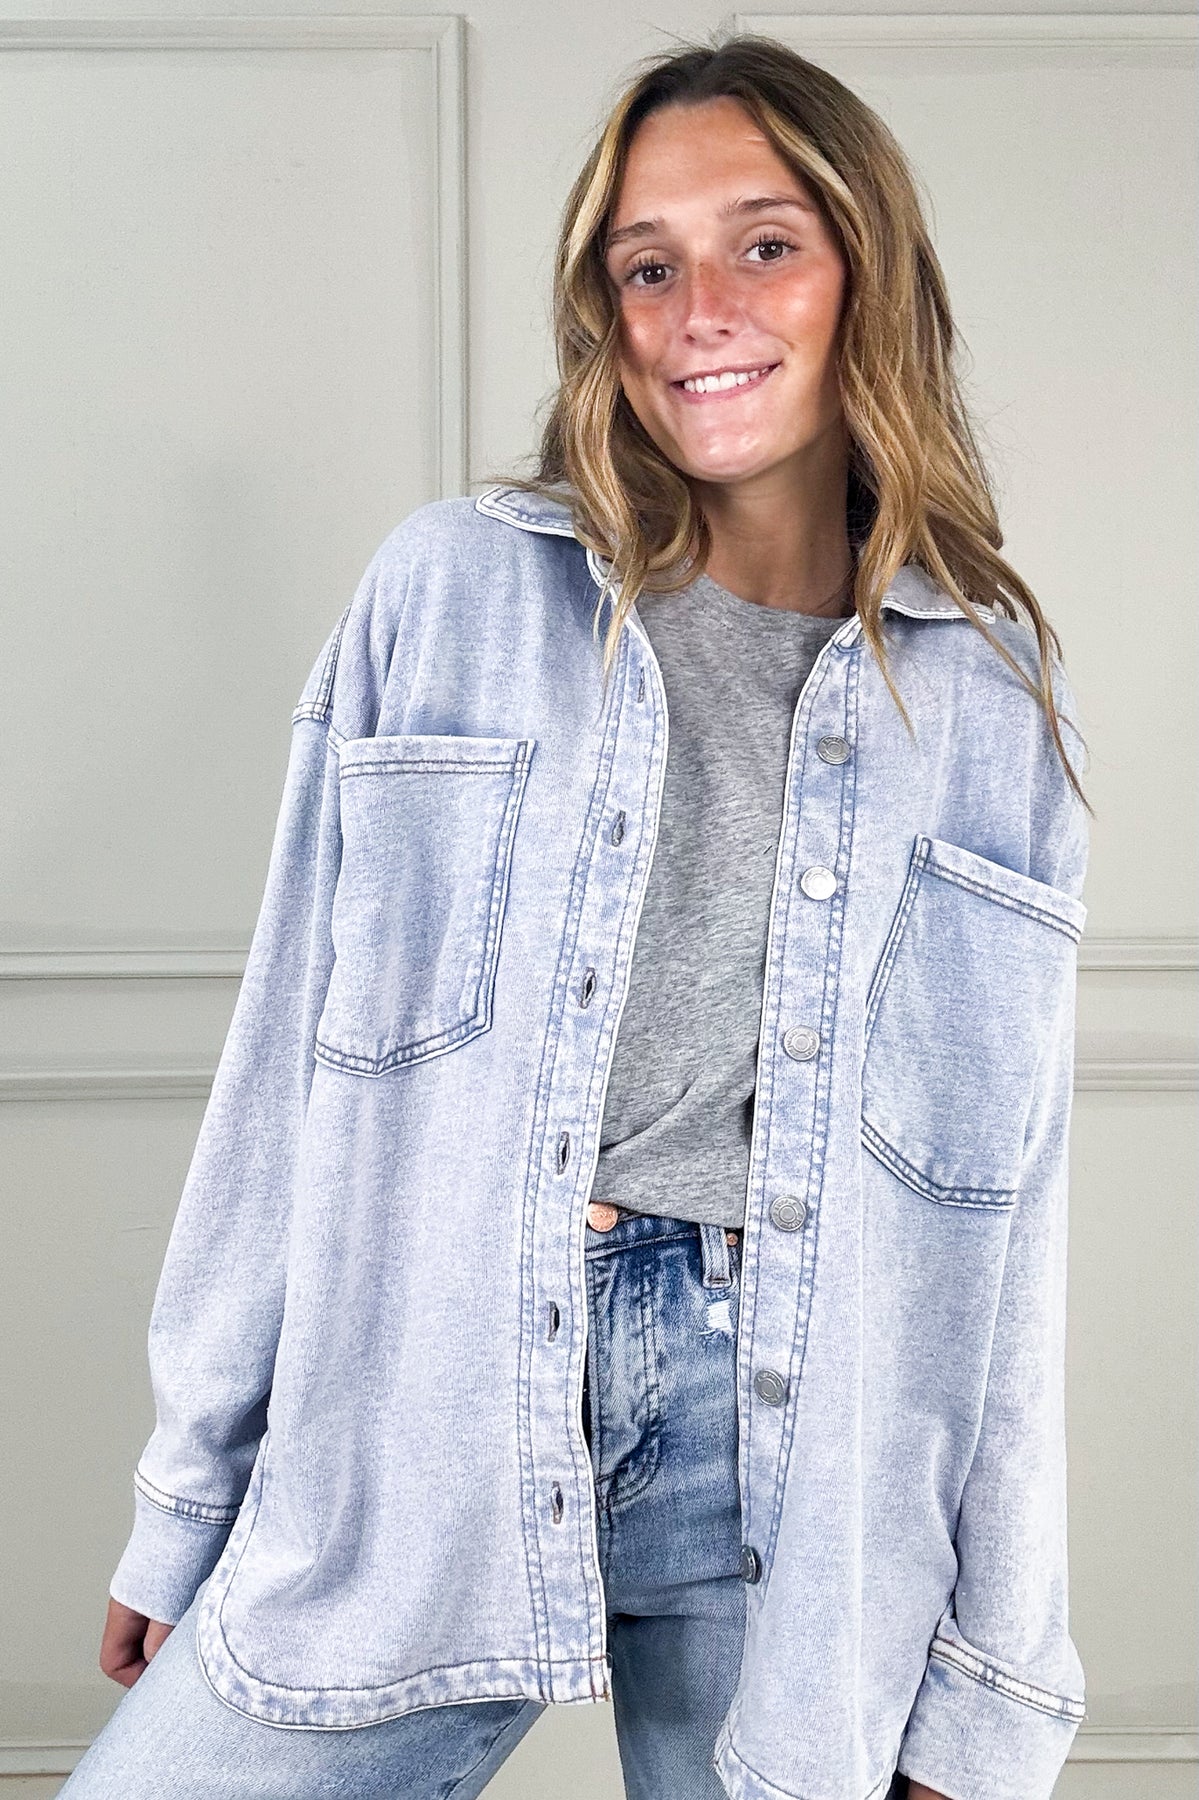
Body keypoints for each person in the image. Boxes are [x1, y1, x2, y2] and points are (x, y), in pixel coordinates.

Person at [60, 32, 1092, 1800]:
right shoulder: (454, 592)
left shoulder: (990, 696)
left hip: (787, 1468)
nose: (703, 310)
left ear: (867, 273)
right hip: (434, 1406)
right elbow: (289, 1059)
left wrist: (990, 1680)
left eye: (765, 245)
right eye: (647, 265)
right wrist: (192, 1489)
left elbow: (1000, 1222)